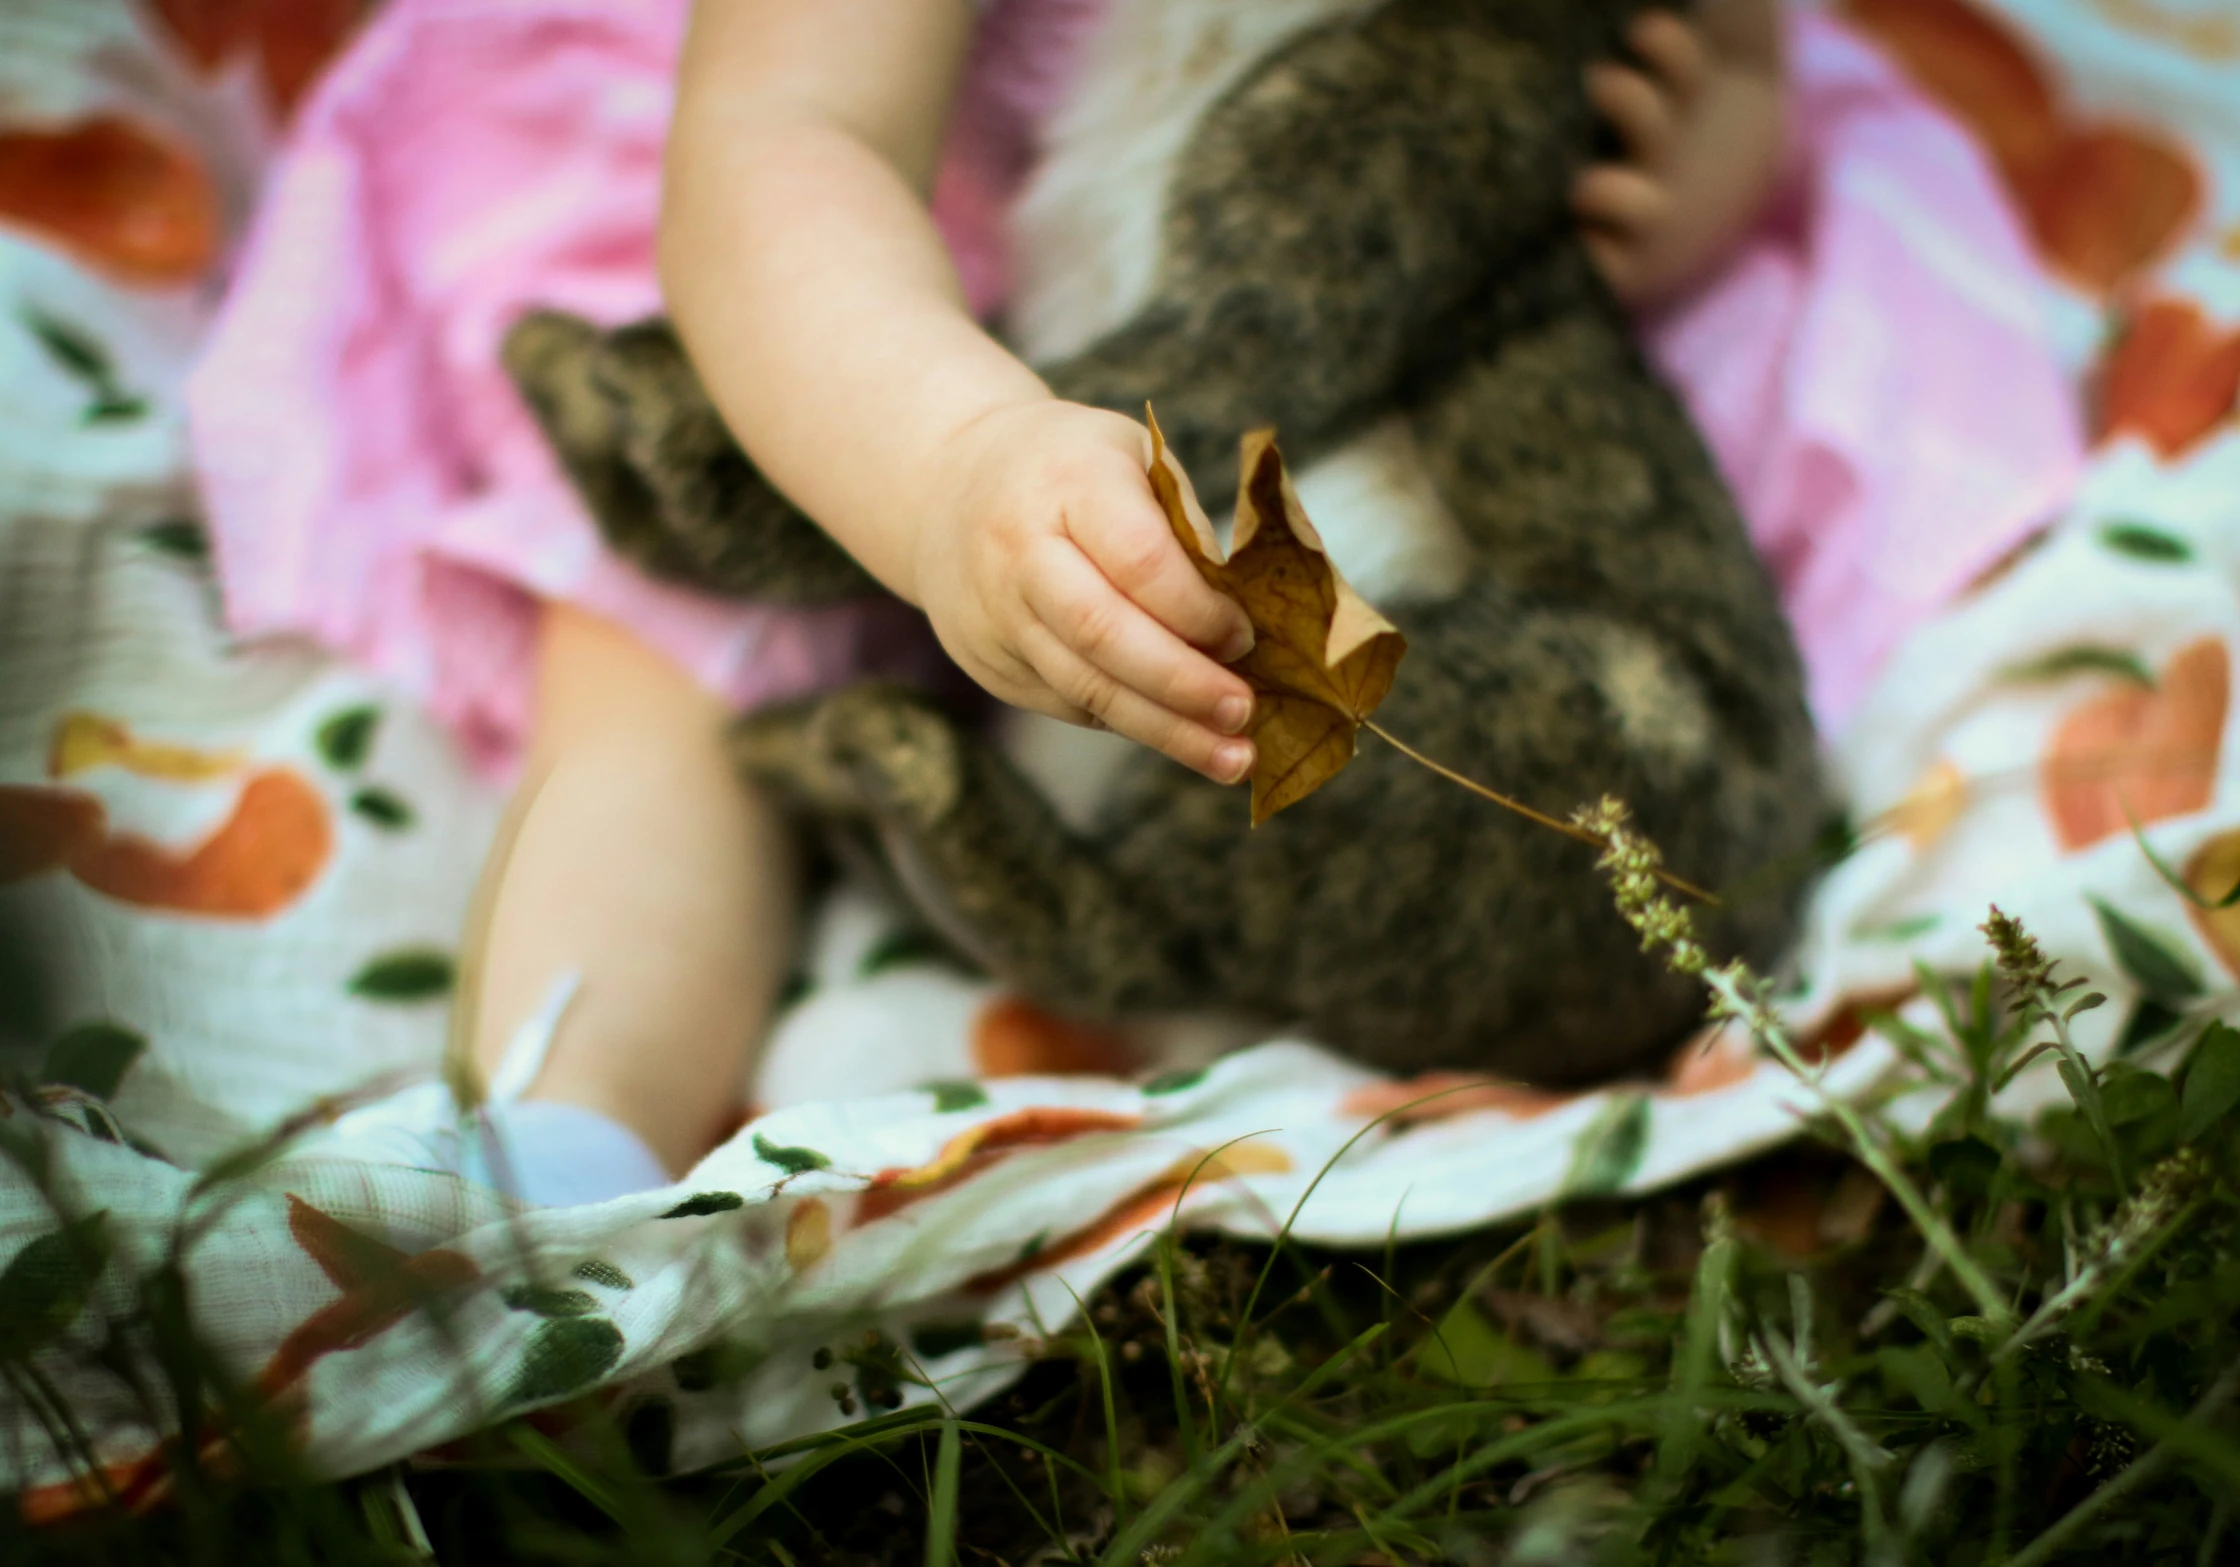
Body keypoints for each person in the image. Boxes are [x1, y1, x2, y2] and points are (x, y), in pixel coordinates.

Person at [193, 0, 2074, 1203]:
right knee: (661, 655)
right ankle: (565, 1134)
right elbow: (785, 151)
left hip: (1373, 223)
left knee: (1566, 546)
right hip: (844, 252)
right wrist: (940, 469)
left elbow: (1715, 44)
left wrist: (1701, 143)